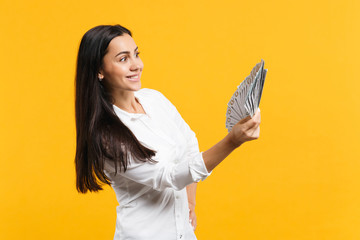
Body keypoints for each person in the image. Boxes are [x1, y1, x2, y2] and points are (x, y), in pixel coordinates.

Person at [74, 24, 261, 240]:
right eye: (123, 59)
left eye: (136, 54)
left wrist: (190, 202)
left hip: (183, 234)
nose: (136, 65)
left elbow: (189, 144)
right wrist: (232, 141)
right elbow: (168, 176)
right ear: (99, 70)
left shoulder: (154, 99)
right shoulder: (105, 135)